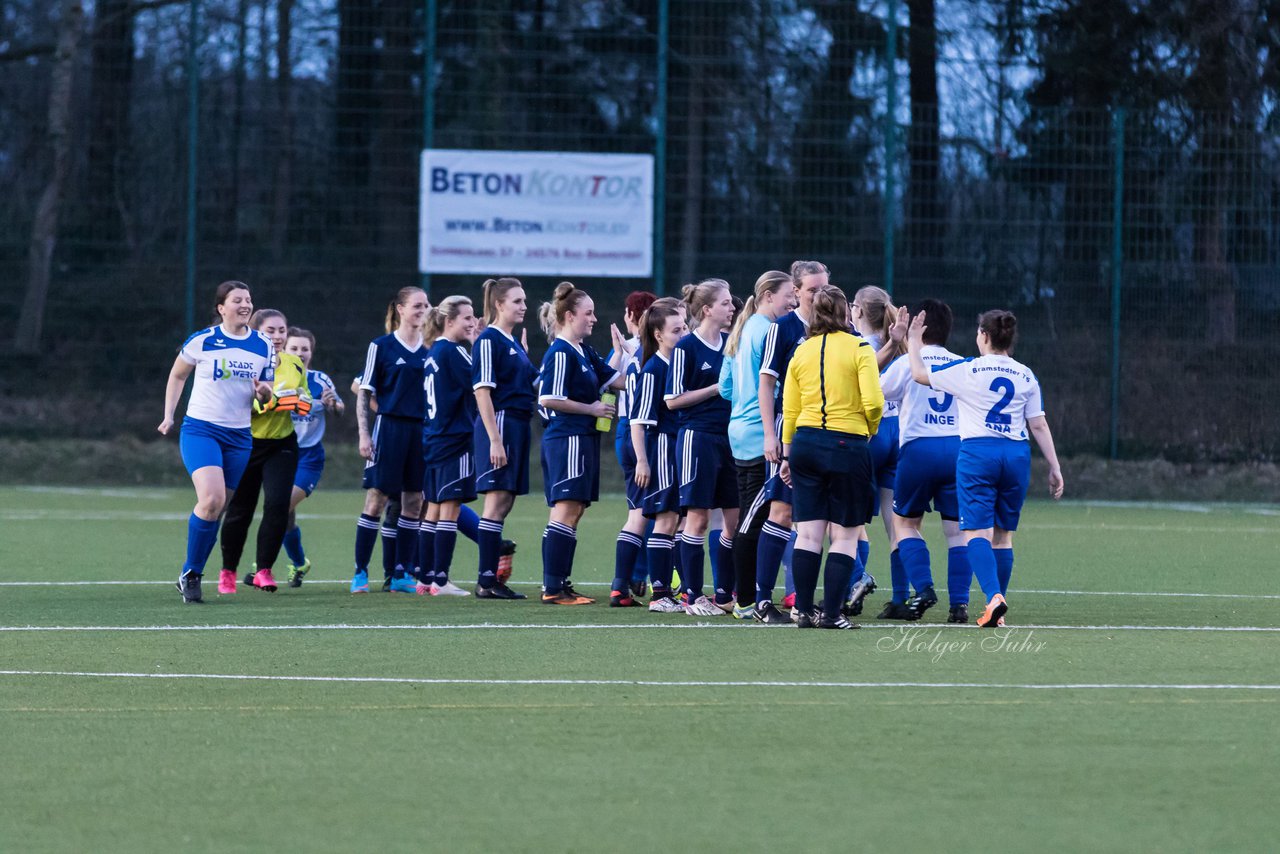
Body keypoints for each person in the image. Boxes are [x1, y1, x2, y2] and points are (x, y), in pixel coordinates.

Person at [906, 308, 1064, 627]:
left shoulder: (969, 369)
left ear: (984, 335)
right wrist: (1054, 466)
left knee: (976, 531)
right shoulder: (1025, 374)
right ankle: (997, 610)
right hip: (1016, 454)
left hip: (979, 453)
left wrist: (911, 341)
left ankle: (994, 598)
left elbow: (920, 375)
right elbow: (1039, 424)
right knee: (1003, 537)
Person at [159, 281, 274, 603]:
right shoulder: (203, 341)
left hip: (239, 436)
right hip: (201, 430)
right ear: (221, 308)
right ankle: (192, 573)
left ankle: (190, 572)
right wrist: (169, 415)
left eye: (248, 300)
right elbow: (178, 375)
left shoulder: (264, 345)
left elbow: (266, 392)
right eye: (237, 300)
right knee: (211, 500)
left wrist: (264, 392)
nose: (245, 305)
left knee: (218, 508)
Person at [780, 285, 884, 629]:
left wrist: (787, 450)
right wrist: (867, 430)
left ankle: (805, 612)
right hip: (846, 444)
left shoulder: (802, 350)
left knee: (808, 535)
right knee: (845, 535)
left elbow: (790, 408)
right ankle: (833, 614)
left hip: (805, 443)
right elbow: (873, 402)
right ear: (844, 313)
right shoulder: (859, 348)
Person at [878, 299, 971, 621]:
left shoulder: (906, 363)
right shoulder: (962, 363)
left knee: (905, 524)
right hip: (957, 451)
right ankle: (959, 606)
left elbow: (878, 391)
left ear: (919, 327)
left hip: (918, 450)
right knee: (958, 532)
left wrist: (897, 342)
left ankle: (923, 588)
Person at [536, 282, 628, 605]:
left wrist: (639, 361)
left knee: (574, 511)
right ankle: (552, 587)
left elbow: (616, 381)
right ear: (569, 315)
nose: (594, 319)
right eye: (588, 313)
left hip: (582, 439)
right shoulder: (560, 352)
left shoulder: (584, 350)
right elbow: (548, 397)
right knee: (565, 509)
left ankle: (559, 582)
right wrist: (590, 408)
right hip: (567, 439)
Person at [719, 270, 795, 620]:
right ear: (768, 295)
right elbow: (775, 386)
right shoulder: (768, 330)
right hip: (758, 431)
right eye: (788, 295)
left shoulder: (745, 327)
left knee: (755, 513)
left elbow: (726, 388)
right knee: (755, 517)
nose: (792, 302)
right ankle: (748, 601)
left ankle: (744, 597)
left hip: (740, 428)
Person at [219, 308, 311, 594]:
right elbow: (249, 406)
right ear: (257, 331)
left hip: (282, 444)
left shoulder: (295, 363)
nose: (278, 336)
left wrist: (296, 401)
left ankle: (263, 570)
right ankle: (228, 573)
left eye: (282, 330)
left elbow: (305, 401)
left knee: (277, 505)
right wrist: (276, 402)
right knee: (240, 510)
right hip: (246, 442)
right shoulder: (245, 362)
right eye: (271, 331)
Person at [755, 260, 826, 620]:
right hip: (792, 429)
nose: (819, 295)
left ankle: (803, 600)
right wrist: (772, 435)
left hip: (826, 432)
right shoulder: (781, 329)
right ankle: (763, 600)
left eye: (824, 288)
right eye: (813, 289)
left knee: (813, 519)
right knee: (781, 512)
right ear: (796, 291)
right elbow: (766, 383)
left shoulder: (836, 328)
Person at [666, 279, 738, 616]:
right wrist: (715, 389)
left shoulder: (732, 344)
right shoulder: (686, 348)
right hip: (697, 437)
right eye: (725, 303)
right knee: (696, 518)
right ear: (707, 309)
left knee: (734, 520)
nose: (732, 308)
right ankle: (692, 596)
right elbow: (672, 400)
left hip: (731, 439)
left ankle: (725, 594)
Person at [352, 287, 430, 594]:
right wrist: (363, 433)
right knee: (376, 499)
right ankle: (360, 572)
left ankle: (401, 573)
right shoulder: (381, 346)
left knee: (414, 501)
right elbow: (364, 391)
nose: (423, 310)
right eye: (417, 305)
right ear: (399, 308)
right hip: (389, 428)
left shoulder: (432, 348)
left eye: (426, 305)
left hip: (421, 431)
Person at [471, 277, 535, 600]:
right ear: (499, 304)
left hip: (518, 425)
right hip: (502, 424)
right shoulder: (488, 340)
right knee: (495, 501)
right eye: (517, 301)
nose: (524, 306)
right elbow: (483, 392)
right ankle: (486, 580)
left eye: (524, 301)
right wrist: (494, 440)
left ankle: (490, 578)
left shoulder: (511, 342)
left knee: (505, 501)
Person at [851, 285, 910, 619]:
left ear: (859, 311)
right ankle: (900, 597)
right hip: (897, 434)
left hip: (868, 435)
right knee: (896, 522)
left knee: (849, 521)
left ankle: (855, 582)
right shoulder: (901, 349)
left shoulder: (859, 346)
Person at [417, 296, 481, 597]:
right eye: (467, 318)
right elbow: (481, 384)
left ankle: (425, 577)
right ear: (449, 321)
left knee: (432, 509)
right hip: (454, 440)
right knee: (449, 509)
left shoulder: (434, 352)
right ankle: (441, 581)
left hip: (434, 438)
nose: (473, 322)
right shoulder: (454, 352)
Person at [628, 298, 688, 612]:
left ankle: (675, 591)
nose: (683, 333)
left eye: (685, 327)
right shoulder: (653, 369)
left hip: (681, 448)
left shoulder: (680, 363)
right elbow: (638, 421)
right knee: (665, 520)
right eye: (677, 330)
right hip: (663, 448)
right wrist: (642, 460)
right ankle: (660, 594)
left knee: (678, 520)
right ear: (659, 335)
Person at [280, 327, 343, 587]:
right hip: (280, 453)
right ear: (284, 350)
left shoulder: (320, 380)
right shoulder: (276, 379)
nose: (300, 353)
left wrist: (332, 405)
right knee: (285, 515)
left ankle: (263, 563)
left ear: (311, 352)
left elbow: (339, 408)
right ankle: (298, 562)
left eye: (304, 348)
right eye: (294, 348)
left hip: (309, 458)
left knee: (282, 505)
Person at [609, 291, 657, 604]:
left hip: (626, 429)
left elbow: (607, 379)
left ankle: (633, 579)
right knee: (650, 513)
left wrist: (619, 353)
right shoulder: (651, 349)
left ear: (630, 316)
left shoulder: (630, 349)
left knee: (639, 509)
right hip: (643, 431)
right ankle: (626, 582)